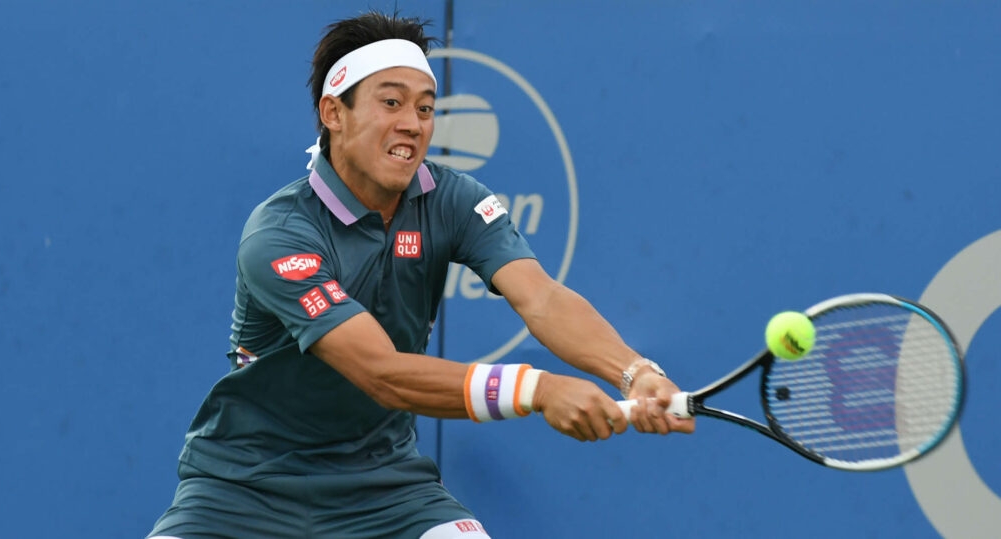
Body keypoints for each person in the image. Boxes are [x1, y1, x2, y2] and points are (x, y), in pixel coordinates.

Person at [148, 10, 694, 539]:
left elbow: (542, 299)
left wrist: (633, 372)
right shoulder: (280, 233)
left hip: (384, 487)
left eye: (427, 108)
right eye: (391, 102)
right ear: (334, 113)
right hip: (242, 487)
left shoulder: (454, 200)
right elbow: (380, 372)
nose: (413, 123)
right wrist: (538, 387)